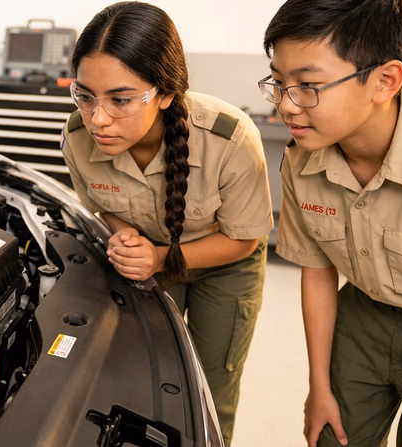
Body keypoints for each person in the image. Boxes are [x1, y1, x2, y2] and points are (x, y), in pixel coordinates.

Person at [60, 2, 273, 444]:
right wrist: (125, 236)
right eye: (84, 95)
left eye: (120, 100)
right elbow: (101, 206)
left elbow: (244, 239)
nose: (98, 118)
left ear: (164, 93)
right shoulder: (77, 139)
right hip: (144, 261)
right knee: (144, 372)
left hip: (224, 264)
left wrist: (158, 257)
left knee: (211, 384)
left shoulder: (230, 139)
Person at [261, 0, 402, 446]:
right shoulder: (301, 159)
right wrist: (319, 388)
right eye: (277, 82)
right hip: (363, 313)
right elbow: (317, 272)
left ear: (385, 81)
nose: (285, 105)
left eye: (308, 85)